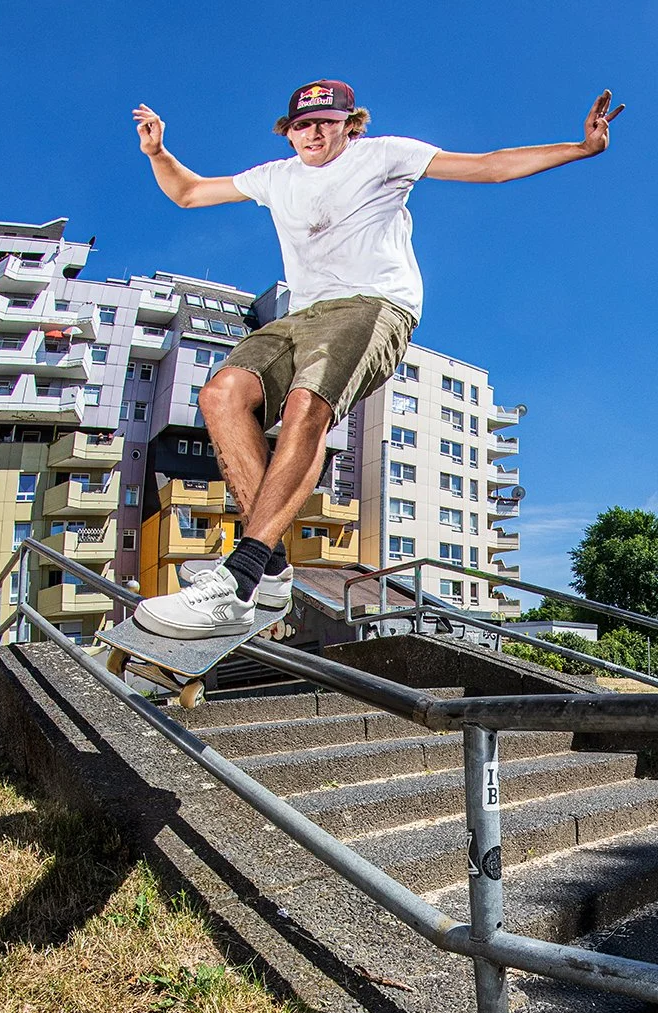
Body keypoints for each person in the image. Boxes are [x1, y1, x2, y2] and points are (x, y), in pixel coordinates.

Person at [130, 78, 623, 639]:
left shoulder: (386, 154)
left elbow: (488, 167)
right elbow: (189, 193)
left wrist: (579, 148)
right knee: (222, 394)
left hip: (374, 305)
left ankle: (239, 578)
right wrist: (158, 152)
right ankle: (270, 570)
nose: (314, 135)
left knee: (307, 405)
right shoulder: (274, 177)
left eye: (326, 123)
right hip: (301, 315)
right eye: (302, 126)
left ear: (350, 125)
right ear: (288, 132)